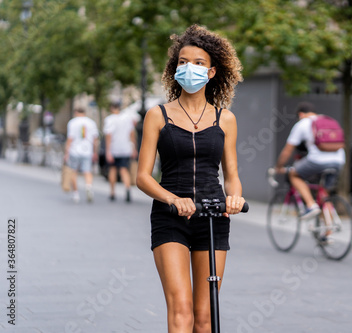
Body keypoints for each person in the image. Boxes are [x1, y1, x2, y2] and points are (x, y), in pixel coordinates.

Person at [136, 24, 245, 332]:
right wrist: (172, 199)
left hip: (212, 217)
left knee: (205, 317)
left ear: (211, 72)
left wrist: (234, 198)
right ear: (175, 68)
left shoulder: (226, 119)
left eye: (198, 63)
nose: (189, 68)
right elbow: (142, 176)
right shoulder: (158, 115)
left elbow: (232, 174)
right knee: (181, 311)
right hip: (170, 216)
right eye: (183, 62)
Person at [275, 102, 345, 219]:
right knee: (324, 195)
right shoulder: (327, 120)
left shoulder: (302, 123)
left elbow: (287, 150)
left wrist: (278, 166)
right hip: (339, 160)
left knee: (294, 174)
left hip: (318, 160)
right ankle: (328, 232)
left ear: (301, 114)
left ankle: (310, 205)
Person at [103, 102, 137, 202]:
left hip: (114, 148)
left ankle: (112, 192)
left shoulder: (110, 119)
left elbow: (108, 136)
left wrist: (108, 151)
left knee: (113, 170)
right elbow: (132, 134)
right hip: (126, 148)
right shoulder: (127, 119)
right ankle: (127, 189)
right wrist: (134, 148)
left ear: (111, 108)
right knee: (124, 170)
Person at [64, 108, 99, 203]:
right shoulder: (91, 123)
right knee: (87, 171)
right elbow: (95, 139)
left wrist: (66, 153)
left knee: (73, 172)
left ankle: (76, 194)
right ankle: (88, 187)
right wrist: (95, 152)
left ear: (76, 112)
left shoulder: (72, 122)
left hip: (74, 150)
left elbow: (70, 138)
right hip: (87, 150)